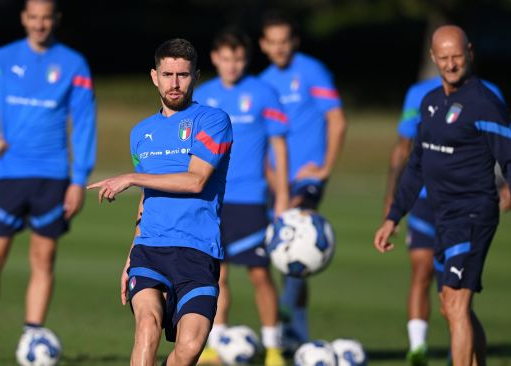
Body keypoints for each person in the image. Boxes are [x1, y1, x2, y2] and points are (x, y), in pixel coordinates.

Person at [0, 0, 96, 363]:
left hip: (53, 178)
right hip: (8, 176)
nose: (40, 24)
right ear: (24, 19)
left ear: (56, 20)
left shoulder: (74, 64)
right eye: (33, 17)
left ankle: (32, 338)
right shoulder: (1, 58)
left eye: (46, 18)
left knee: (43, 259)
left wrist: (79, 180)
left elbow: (84, 125)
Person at [87, 38, 232, 366]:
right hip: (150, 250)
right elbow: (147, 199)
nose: (175, 83)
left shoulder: (213, 121)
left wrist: (131, 177)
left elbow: (196, 181)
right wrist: (129, 255)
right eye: (168, 74)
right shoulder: (141, 133)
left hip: (198, 252)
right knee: (147, 326)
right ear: (155, 76)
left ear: (196, 76)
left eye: (183, 74)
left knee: (191, 346)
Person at [375, 25, 511, 366]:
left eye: (458, 57)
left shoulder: (485, 104)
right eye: (445, 58)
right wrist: (393, 216)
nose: (451, 65)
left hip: (473, 215)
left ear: (470, 54)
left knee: (455, 303)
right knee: (451, 306)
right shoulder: (430, 102)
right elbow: (417, 164)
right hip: (440, 215)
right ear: (434, 58)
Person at [194, 28, 289, 366]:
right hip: (211, 199)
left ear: (245, 60)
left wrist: (282, 197)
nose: (231, 65)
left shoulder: (264, 93)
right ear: (215, 59)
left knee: (260, 273)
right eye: (225, 58)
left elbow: (279, 146)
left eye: (238, 59)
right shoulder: (202, 96)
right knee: (216, 275)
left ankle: (274, 346)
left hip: (251, 199)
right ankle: (215, 344)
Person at [258, 11, 347, 349]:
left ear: (294, 41)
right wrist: (270, 176)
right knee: (280, 252)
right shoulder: (263, 82)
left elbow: (337, 121)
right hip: (273, 178)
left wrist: (324, 169)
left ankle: (293, 328)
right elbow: (262, 137)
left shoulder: (312, 71)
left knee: (298, 241)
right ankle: (294, 329)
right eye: (273, 42)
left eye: (285, 41)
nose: (279, 48)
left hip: (306, 179)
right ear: (265, 45)